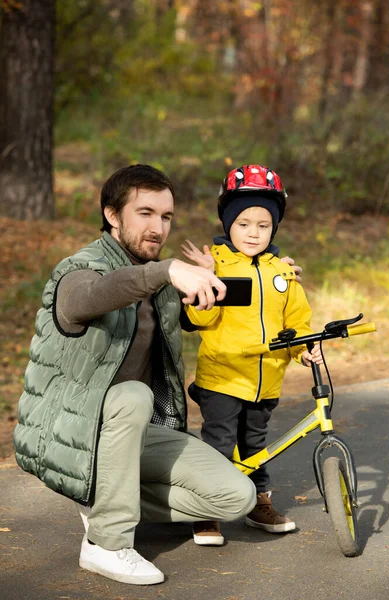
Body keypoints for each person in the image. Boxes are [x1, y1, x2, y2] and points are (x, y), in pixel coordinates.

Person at [13, 164, 301, 586]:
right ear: (112, 215)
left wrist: (278, 278)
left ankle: (106, 497)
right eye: (145, 213)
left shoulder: (163, 283)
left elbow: (219, 306)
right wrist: (165, 271)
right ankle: (105, 544)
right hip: (75, 429)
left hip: (136, 433)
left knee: (235, 497)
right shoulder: (79, 269)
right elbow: (90, 297)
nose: (158, 227)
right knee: (132, 395)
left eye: (166, 217)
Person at [181, 164, 322, 547]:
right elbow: (194, 318)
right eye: (244, 224)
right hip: (223, 378)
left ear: (274, 227)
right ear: (228, 223)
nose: (254, 233)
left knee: (255, 445)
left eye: (263, 225)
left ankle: (258, 503)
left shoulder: (283, 272)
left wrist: (303, 350)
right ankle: (205, 512)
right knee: (220, 444)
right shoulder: (218, 264)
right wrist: (205, 278)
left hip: (266, 380)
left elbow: (297, 321)